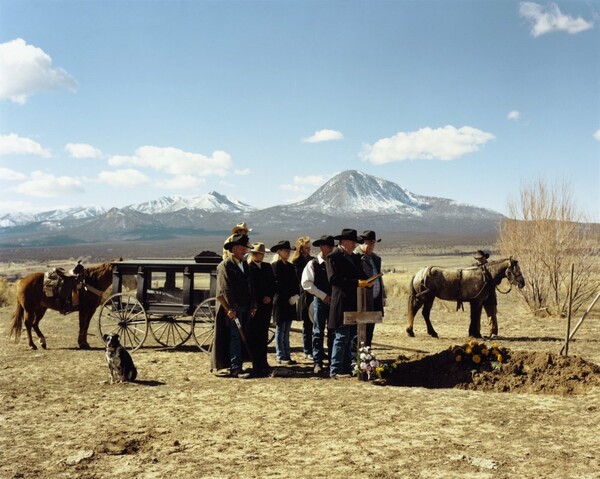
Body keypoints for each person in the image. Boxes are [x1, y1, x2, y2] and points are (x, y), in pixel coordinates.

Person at [326, 228, 371, 379]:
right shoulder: (333, 257)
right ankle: (335, 369)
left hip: (354, 303)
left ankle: (346, 367)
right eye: (352, 243)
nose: (354, 245)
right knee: (340, 336)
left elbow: (361, 275)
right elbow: (334, 279)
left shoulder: (356, 258)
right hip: (341, 303)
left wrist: (368, 281)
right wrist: (357, 282)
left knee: (351, 336)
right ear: (344, 242)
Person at [211, 233, 256, 379]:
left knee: (243, 335)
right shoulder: (225, 265)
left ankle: (239, 364)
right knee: (235, 337)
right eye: (242, 247)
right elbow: (225, 289)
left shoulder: (245, 265)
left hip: (245, 306)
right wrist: (230, 308)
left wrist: (253, 305)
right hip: (233, 308)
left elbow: (251, 286)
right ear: (234, 248)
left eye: (245, 247)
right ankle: (235, 368)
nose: (244, 250)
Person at [301, 234, 335, 375]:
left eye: (331, 246)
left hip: (333, 302)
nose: (330, 249)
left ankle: (333, 360)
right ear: (322, 247)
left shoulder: (334, 263)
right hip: (320, 302)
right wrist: (323, 296)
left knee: (333, 331)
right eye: (328, 246)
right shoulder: (313, 264)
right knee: (318, 332)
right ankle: (318, 361)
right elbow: (306, 284)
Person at [247, 242, 276, 376]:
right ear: (254, 254)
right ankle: (255, 363)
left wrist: (269, 296)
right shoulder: (248, 268)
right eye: (259, 254)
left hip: (266, 306)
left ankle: (263, 362)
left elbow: (272, 284)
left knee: (263, 335)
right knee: (254, 335)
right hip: (255, 307)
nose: (262, 256)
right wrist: (257, 301)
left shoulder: (267, 267)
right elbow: (250, 288)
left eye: (263, 254)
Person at [271, 240, 299, 365]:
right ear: (279, 251)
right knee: (280, 329)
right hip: (280, 301)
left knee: (287, 329)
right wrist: (288, 295)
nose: (287, 253)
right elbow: (276, 284)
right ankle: (280, 355)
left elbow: (295, 282)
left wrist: (296, 295)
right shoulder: (275, 266)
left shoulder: (290, 266)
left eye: (288, 251)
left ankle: (287, 354)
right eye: (285, 251)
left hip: (290, 301)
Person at [357, 230, 386, 347]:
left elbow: (379, 277)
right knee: (359, 330)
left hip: (375, 299)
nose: (372, 246)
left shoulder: (375, 258)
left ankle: (366, 355)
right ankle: (358, 357)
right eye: (369, 243)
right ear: (362, 243)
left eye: (373, 243)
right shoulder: (355, 257)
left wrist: (383, 295)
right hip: (361, 300)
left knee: (370, 329)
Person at [291, 236, 314, 360]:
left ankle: (314, 349)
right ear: (300, 249)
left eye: (309, 247)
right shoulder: (297, 262)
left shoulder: (312, 260)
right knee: (307, 324)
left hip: (313, 295)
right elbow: (300, 279)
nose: (308, 250)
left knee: (315, 324)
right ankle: (307, 350)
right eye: (306, 248)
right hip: (304, 295)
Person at [473, 249, 498, 338]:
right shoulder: (473, 267)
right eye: (477, 259)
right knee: (476, 315)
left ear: (484, 258)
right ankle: (476, 332)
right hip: (477, 295)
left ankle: (493, 333)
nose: (479, 260)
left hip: (489, 294)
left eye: (480, 258)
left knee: (491, 314)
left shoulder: (491, 267)